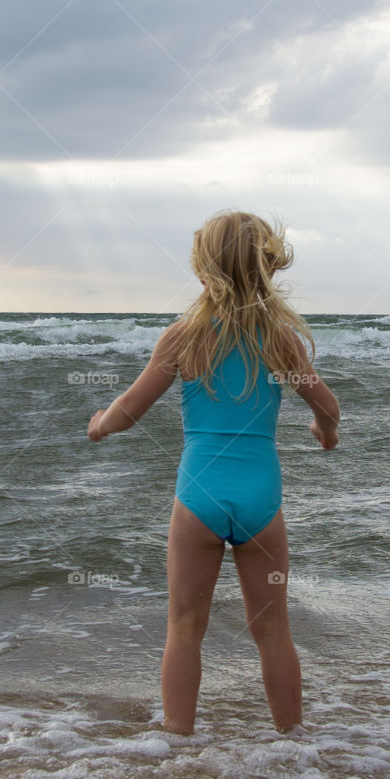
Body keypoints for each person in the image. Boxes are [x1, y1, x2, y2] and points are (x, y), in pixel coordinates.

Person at [87, 210, 340, 735]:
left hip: (198, 498)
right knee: (274, 631)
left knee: (183, 629)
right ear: (265, 268)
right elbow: (328, 405)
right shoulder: (280, 341)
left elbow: (131, 410)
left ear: (203, 271)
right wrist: (325, 432)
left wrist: (100, 427)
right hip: (261, 501)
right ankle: (295, 746)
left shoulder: (185, 338)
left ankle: (176, 747)